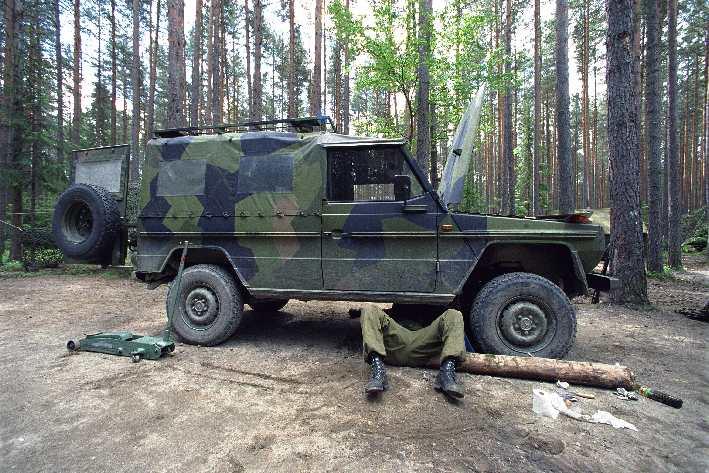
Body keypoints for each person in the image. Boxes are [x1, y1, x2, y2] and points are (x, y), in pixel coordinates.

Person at [357, 304, 467, 398]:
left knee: (454, 314)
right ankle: (378, 372)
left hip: (424, 341)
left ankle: (446, 374)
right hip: (397, 339)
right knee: (369, 309)